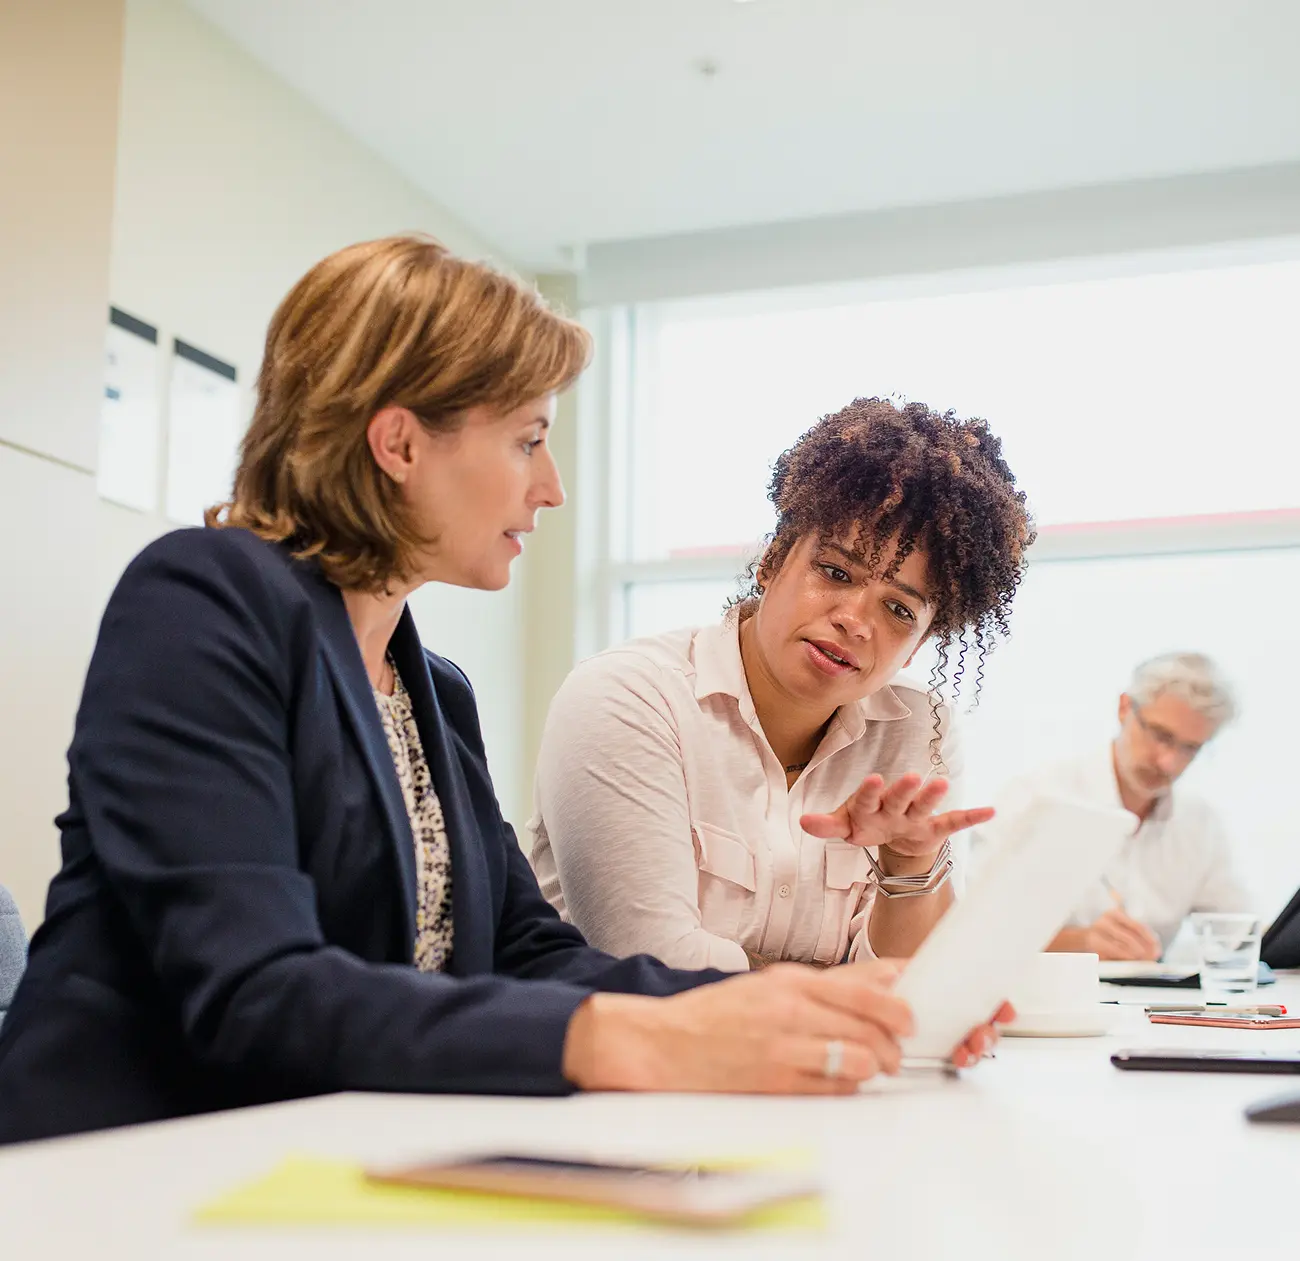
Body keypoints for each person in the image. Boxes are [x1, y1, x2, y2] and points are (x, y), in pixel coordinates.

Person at [0, 238, 1003, 1145]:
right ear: (398, 445)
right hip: (129, 1169)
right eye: (528, 439)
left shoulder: (430, 687)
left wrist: (801, 1013)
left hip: (326, 1159)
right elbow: (253, 991)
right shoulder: (203, 598)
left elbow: (523, 950)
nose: (552, 486)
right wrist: (640, 1037)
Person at [529, 398, 1036, 971]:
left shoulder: (920, 732)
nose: (855, 620)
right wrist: (846, 990)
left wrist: (910, 866)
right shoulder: (627, 698)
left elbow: (922, 986)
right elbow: (653, 963)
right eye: (836, 573)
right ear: (772, 560)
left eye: (897, 610)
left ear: (918, 645)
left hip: (836, 1061)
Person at [991, 653, 1249, 961]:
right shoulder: (1037, 797)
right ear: (1124, 707)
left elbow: (1238, 931)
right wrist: (1081, 942)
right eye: (1160, 735)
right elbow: (981, 935)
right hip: (1047, 1000)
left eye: (1190, 748)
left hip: (1154, 1004)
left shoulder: (1198, 823)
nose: (1169, 762)